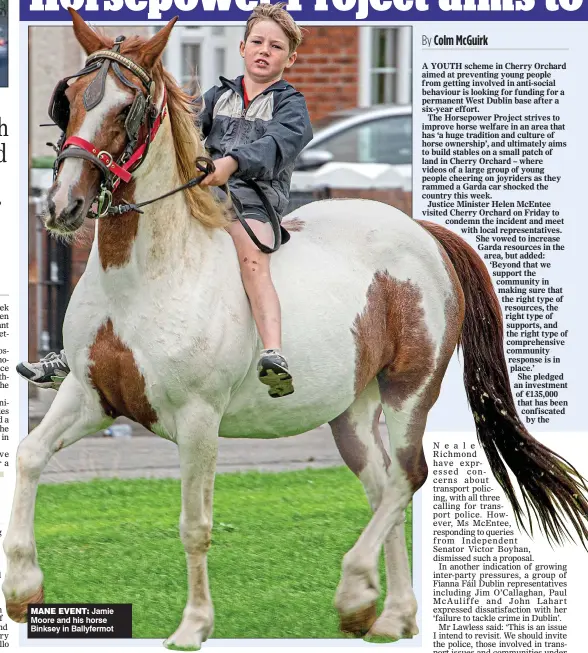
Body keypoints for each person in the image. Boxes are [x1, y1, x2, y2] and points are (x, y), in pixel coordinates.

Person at [17, 3, 312, 399]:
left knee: (251, 258)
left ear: (289, 58)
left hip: (253, 201)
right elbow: (184, 134)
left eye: (275, 47)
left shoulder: (290, 106)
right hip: (203, 194)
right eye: (257, 41)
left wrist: (232, 162)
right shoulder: (217, 95)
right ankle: (74, 352)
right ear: (242, 46)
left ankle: (274, 350)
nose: (264, 51)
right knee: (124, 247)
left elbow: (279, 145)